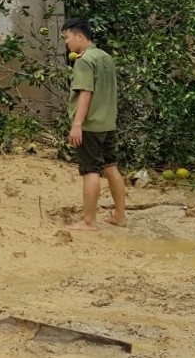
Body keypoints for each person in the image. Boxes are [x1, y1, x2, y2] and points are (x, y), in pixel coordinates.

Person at [62, 17, 125, 231]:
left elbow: (85, 93)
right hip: (108, 123)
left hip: (90, 125)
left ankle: (89, 221)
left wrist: (77, 124)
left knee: (90, 171)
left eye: (67, 37)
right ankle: (119, 215)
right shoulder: (106, 57)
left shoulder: (84, 60)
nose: (66, 42)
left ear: (80, 36)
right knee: (111, 166)